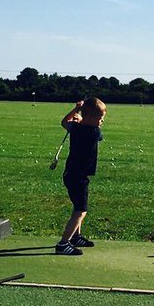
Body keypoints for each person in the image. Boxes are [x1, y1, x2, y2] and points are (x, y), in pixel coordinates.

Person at [56, 97, 106, 255]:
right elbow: (99, 136)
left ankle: (76, 237)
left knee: (77, 206)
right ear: (90, 118)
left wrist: (75, 111)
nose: (102, 121)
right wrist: (80, 116)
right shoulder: (94, 131)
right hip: (78, 176)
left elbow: (64, 122)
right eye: (100, 118)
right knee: (80, 210)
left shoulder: (76, 128)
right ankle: (63, 244)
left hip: (71, 174)